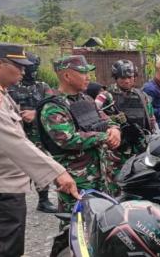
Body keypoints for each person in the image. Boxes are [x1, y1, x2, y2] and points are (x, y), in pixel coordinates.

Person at [0, 43, 79, 257]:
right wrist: (57, 173)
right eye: (18, 66)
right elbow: (13, 141)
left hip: (0, 186)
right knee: (5, 251)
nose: (23, 71)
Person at [37, 55, 122, 217]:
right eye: (83, 73)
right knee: (75, 227)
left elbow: (106, 120)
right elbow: (67, 139)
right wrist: (104, 136)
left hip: (101, 175)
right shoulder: (53, 107)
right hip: (76, 179)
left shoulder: (87, 99)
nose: (88, 77)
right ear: (67, 76)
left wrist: (114, 129)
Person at [8, 52, 57, 213]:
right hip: (16, 132)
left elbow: (53, 106)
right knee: (15, 167)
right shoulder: (11, 86)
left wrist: (35, 113)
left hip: (38, 134)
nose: (32, 70)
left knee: (40, 164)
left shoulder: (42, 86)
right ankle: (15, 201)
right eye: (30, 67)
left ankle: (43, 200)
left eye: (35, 66)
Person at [93, 59, 156, 163]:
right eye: (122, 78)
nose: (127, 81)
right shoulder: (105, 96)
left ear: (134, 77)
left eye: (130, 77)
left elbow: (151, 118)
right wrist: (113, 120)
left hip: (140, 144)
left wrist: (154, 135)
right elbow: (94, 117)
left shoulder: (142, 96)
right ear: (116, 78)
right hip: (116, 148)